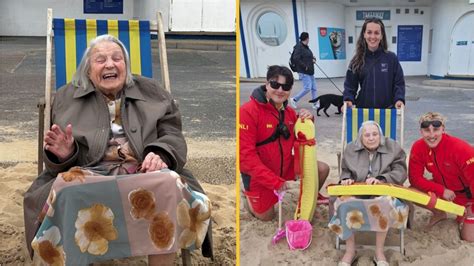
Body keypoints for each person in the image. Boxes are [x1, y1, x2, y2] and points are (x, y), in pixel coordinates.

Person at [23, 35, 212, 265]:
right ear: (88, 70)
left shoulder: (152, 92)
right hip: (90, 172)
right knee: (65, 186)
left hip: (144, 171)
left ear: (126, 65)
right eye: (100, 59)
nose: (110, 64)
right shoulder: (67, 97)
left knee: (169, 182)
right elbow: (59, 157)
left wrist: (160, 154)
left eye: (117, 58)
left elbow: (172, 134)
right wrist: (65, 154)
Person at [240, 65, 330, 221]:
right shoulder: (247, 112)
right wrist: (273, 181)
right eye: (275, 84)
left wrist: (308, 119)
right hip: (260, 175)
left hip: (285, 167)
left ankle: (312, 197)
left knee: (322, 169)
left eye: (286, 86)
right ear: (267, 84)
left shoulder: (288, 113)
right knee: (266, 217)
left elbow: (301, 136)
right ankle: (248, 196)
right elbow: (245, 158)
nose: (280, 90)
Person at [329, 121, 408, 266]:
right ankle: (350, 250)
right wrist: (346, 179)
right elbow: (346, 171)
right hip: (358, 190)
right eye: (367, 135)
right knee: (343, 202)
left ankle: (379, 252)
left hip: (384, 190)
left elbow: (401, 171)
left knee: (384, 203)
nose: (371, 138)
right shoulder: (351, 149)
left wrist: (382, 179)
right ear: (361, 138)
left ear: (380, 135)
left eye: (375, 134)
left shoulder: (393, 147)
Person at [408, 112, 474, 242]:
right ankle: (439, 213)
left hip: (468, 197)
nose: (431, 135)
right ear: (421, 131)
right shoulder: (418, 147)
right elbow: (415, 179)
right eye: (427, 130)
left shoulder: (461, 148)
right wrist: (441, 190)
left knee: (469, 238)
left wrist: (471, 208)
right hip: (445, 192)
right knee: (411, 191)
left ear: (443, 129)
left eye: (436, 130)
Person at [343, 18, 405, 109]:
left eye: (376, 33)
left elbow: (399, 83)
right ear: (364, 34)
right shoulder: (356, 60)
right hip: (363, 111)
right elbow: (350, 85)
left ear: (381, 35)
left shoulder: (391, 58)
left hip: (387, 112)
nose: (373, 36)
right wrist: (348, 99)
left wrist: (399, 99)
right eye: (369, 32)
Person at [289, 32, 319, 110]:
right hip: (304, 71)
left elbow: (308, 56)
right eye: (308, 38)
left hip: (310, 70)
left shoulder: (306, 47)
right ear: (307, 38)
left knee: (314, 88)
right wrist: (304, 66)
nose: (309, 39)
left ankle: (315, 103)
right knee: (307, 88)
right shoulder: (299, 47)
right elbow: (296, 58)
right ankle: (294, 99)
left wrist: (313, 59)